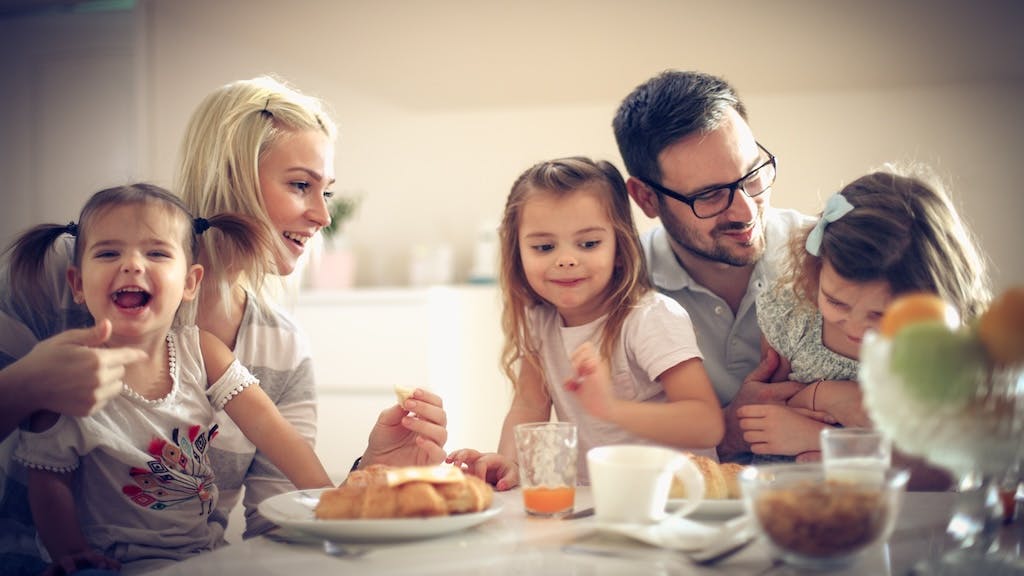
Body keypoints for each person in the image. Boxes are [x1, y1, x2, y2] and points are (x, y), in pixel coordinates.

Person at [0, 76, 447, 573]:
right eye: (301, 184)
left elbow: (280, 528)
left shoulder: (279, 348)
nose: (322, 215)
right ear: (232, 176)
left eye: (327, 191)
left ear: (190, 281)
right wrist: (24, 386)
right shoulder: (60, 278)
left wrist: (369, 474)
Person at [10, 184, 335, 573]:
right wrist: (72, 553)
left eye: (156, 253)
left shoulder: (204, 352)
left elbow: (272, 428)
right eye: (109, 252)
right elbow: (48, 481)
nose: (132, 264)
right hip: (105, 563)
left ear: (190, 283)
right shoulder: (67, 375)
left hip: (198, 558)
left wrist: (331, 503)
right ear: (77, 284)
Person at [446, 157, 724, 488]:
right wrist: (510, 462)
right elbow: (528, 404)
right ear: (517, 253)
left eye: (589, 243)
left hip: (677, 500)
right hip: (595, 500)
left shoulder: (650, 318)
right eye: (544, 246)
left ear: (619, 248)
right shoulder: (540, 324)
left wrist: (610, 408)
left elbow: (705, 423)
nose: (566, 259)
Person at [612, 69, 816, 464]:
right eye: (708, 196)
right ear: (646, 199)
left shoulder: (828, 254)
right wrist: (727, 431)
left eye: (752, 174)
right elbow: (615, 453)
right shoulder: (618, 289)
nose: (744, 210)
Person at [739, 167, 990, 460]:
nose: (856, 328)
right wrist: (824, 397)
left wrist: (822, 438)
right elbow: (774, 411)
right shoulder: (794, 315)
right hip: (789, 488)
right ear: (817, 270)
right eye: (836, 302)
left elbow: (944, 464)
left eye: (880, 316)